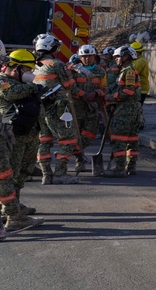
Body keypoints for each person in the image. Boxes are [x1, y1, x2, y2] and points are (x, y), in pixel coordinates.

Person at [0, 48, 44, 222]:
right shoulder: (1, 81)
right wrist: (32, 86)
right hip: (14, 135)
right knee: (11, 173)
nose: (31, 74)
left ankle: (15, 203)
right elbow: (11, 93)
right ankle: (6, 210)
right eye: (28, 70)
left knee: (24, 171)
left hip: (30, 133)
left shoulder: (24, 85)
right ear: (16, 69)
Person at [32, 34, 81, 184]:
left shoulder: (34, 64)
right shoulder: (56, 64)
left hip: (40, 108)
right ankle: (60, 173)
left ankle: (46, 174)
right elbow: (70, 84)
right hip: (58, 108)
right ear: (51, 48)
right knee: (68, 139)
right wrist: (84, 95)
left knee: (44, 140)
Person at [104, 45, 141, 177]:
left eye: (118, 57)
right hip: (130, 109)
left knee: (118, 138)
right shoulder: (124, 70)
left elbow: (129, 91)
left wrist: (112, 97)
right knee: (132, 138)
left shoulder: (128, 71)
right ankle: (131, 166)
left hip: (126, 110)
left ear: (126, 56)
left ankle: (119, 168)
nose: (116, 59)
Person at [70, 44, 106, 173]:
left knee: (89, 134)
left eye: (89, 56)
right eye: (84, 56)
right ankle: (79, 160)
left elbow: (104, 88)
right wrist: (82, 95)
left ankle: (77, 151)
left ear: (94, 56)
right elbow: (69, 86)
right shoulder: (73, 70)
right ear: (79, 57)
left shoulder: (100, 71)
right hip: (76, 107)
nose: (87, 59)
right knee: (74, 135)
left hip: (92, 108)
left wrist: (97, 93)